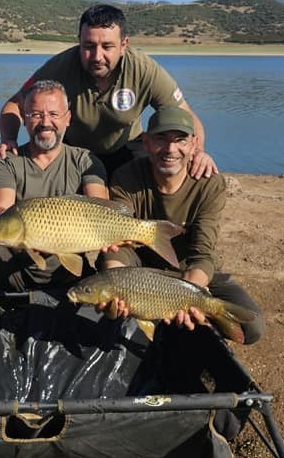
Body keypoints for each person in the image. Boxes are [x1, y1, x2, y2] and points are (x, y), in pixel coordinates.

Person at [0, 3, 218, 179]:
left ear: (124, 45)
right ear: (79, 42)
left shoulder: (145, 70)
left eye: (107, 47)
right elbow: (15, 104)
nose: (97, 56)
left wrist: (199, 152)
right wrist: (8, 139)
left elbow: (184, 114)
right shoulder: (60, 67)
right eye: (89, 46)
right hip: (75, 151)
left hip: (127, 149)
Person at [103, 105, 264, 344]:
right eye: (161, 139)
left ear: (193, 144)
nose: (170, 149)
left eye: (180, 140)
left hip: (189, 272)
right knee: (107, 298)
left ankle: (189, 328)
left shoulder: (209, 184)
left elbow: (203, 253)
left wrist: (190, 296)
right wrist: (113, 285)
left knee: (252, 327)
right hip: (141, 271)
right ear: (145, 142)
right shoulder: (125, 176)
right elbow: (118, 243)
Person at [0, 79, 108, 290]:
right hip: (16, 272)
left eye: (53, 114)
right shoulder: (6, 161)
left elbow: (101, 208)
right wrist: (33, 236)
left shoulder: (85, 160)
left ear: (68, 118)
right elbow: (1, 211)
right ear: (24, 119)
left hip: (70, 276)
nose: (45, 122)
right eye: (36, 114)